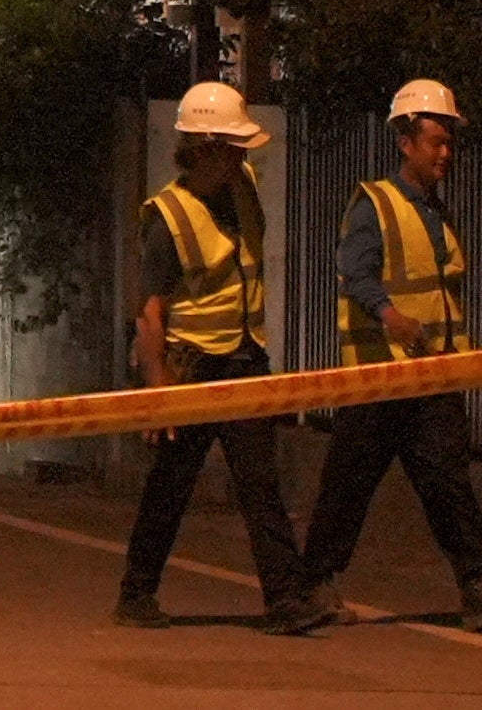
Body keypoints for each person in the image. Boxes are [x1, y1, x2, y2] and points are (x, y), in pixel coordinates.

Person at [296, 78, 482, 629]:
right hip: (381, 376)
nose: (445, 153)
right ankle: (312, 586)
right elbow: (355, 272)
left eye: (450, 143)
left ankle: (479, 586)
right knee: (349, 484)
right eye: (436, 142)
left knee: (448, 482)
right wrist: (390, 317)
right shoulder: (374, 204)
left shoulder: (436, 210)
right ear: (405, 142)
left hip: (432, 375)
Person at [115, 80, 323, 636]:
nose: (242, 156)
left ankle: (287, 601)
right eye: (233, 147)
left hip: (244, 356)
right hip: (190, 368)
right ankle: (136, 592)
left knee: (260, 482)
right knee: (171, 484)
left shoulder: (244, 187)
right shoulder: (167, 216)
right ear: (204, 146)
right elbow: (150, 313)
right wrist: (160, 393)